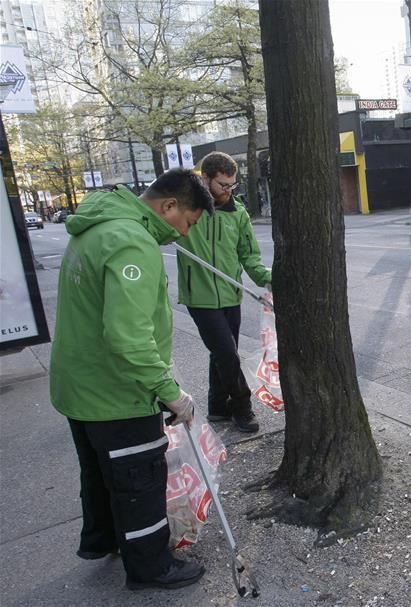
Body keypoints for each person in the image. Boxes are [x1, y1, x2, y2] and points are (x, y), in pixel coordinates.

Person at [49, 169, 214, 589]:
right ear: (169, 206)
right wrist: (170, 393)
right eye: (188, 223)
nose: (184, 234)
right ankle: (150, 566)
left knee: (101, 473)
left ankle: (103, 540)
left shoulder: (97, 226)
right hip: (117, 392)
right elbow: (128, 336)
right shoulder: (132, 241)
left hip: (80, 386)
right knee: (138, 482)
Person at [176, 152, 271, 433]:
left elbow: (249, 256)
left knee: (221, 353)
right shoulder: (186, 207)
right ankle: (242, 407)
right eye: (222, 185)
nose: (228, 191)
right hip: (200, 297)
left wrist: (267, 279)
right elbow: (157, 222)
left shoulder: (237, 213)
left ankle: (217, 407)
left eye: (232, 186)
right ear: (205, 178)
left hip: (231, 294)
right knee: (227, 353)